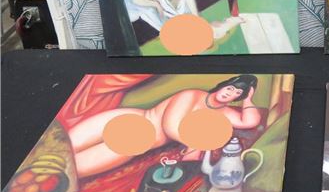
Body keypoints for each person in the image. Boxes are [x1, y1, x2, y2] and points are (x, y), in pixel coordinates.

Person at [67, 75, 261, 179]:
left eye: (237, 93)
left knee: (68, 170)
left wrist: (248, 99)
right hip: (131, 118)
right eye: (230, 88)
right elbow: (170, 125)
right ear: (222, 85)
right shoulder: (192, 95)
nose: (230, 93)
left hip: (140, 139)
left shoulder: (225, 112)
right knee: (63, 147)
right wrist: (194, 144)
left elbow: (249, 121)